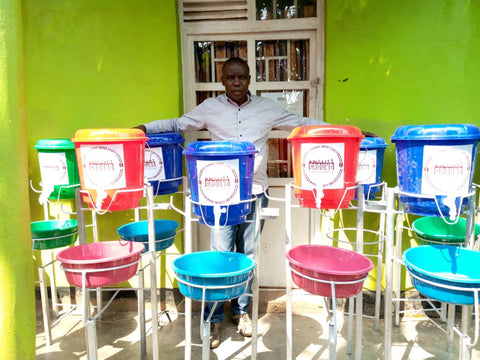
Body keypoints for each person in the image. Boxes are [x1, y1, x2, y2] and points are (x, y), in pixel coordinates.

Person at [135, 57, 341, 349]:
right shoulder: (210, 109)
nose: (236, 83)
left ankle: (242, 312)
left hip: (256, 191)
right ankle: (214, 318)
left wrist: (344, 133)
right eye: (230, 78)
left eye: (241, 77)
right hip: (221, 195)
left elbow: (302, 124)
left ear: (249, 79)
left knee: (248, 254)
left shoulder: (266, 109)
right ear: (222, 80)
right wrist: (142, 129)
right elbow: (177, 124)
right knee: (221, 254)